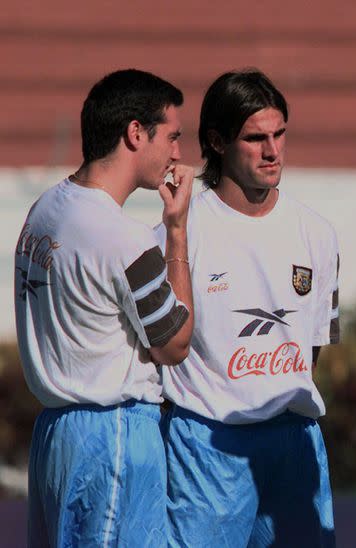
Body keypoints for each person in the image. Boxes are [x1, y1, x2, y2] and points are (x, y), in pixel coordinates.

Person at [155, 69, 340, 547]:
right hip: (208, 446)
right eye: (255, 139)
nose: (273, 151)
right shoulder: (178, 232)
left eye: (279, 135)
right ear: (216, 141)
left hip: (295, 442)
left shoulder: (317, 233)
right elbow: (156, 347)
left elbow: (314, 347)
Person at [14, 69, 195, 546]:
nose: (177, 152)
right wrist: (176, 231)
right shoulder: (123, 235)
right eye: (172, 137)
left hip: (54, 435)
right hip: (112, 435)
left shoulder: (45, 209)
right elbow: (174, 343)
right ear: (136, 133)